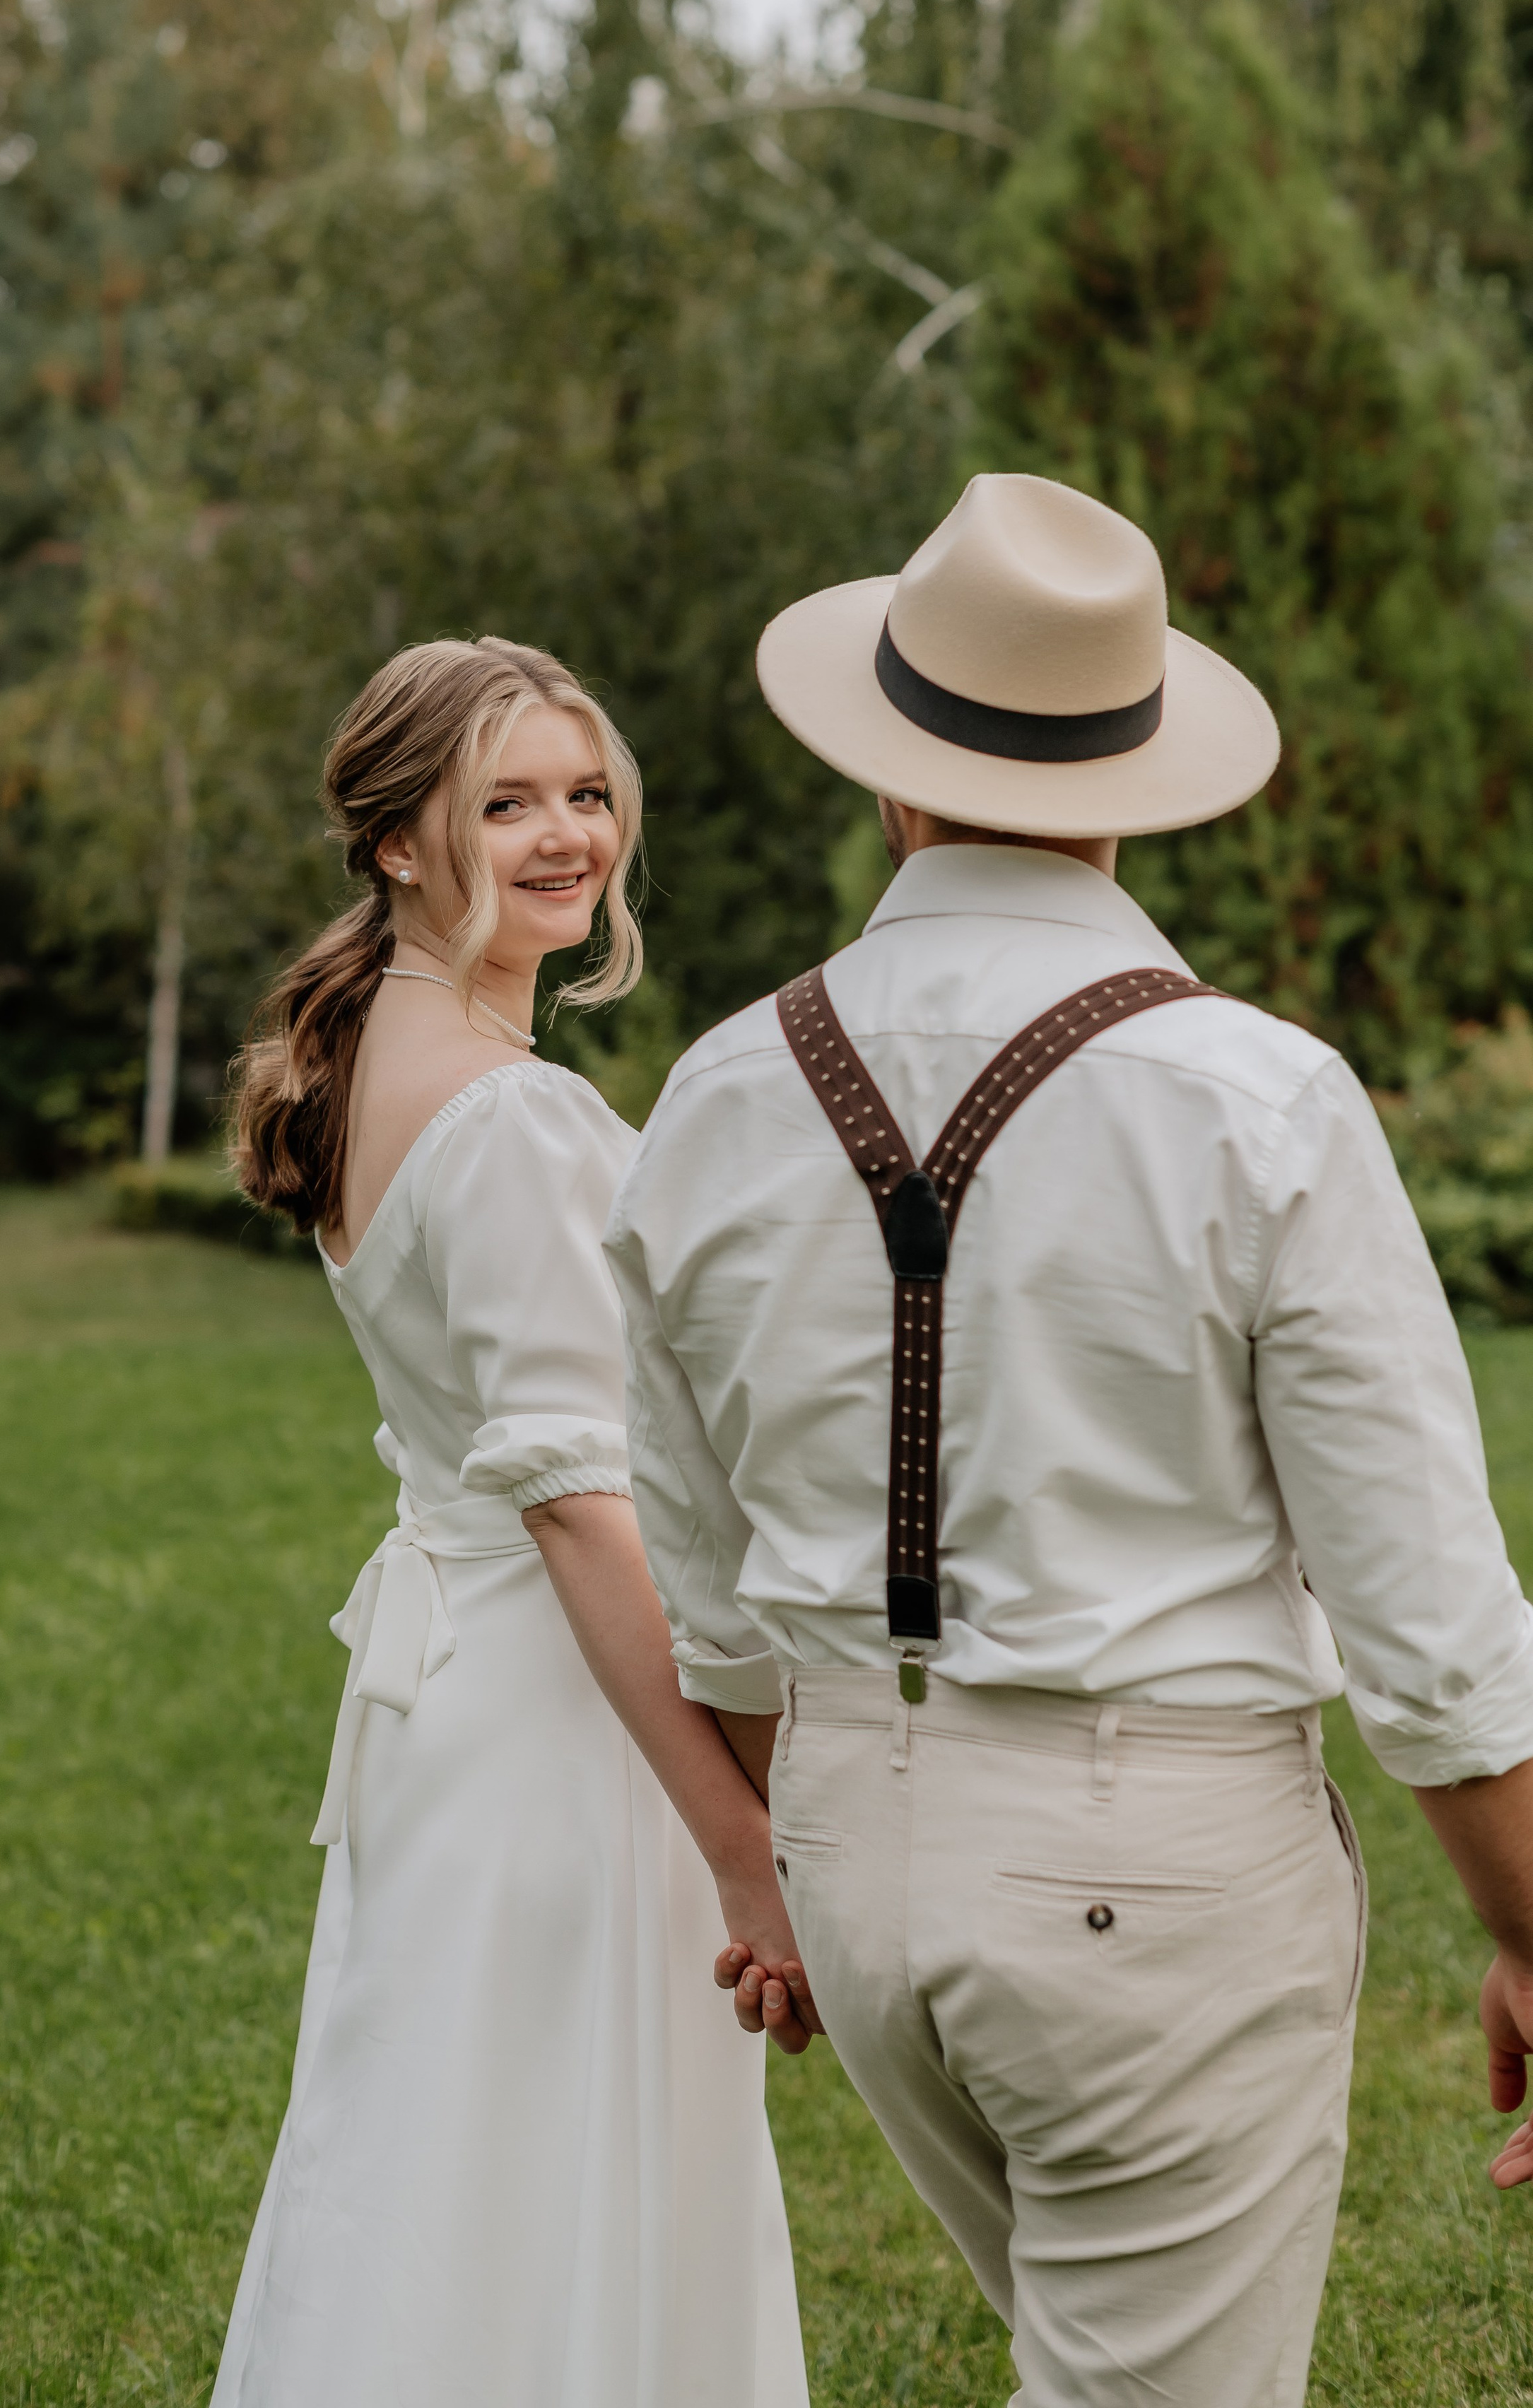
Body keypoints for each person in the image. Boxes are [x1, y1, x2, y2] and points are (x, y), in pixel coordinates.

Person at [605, 472, 1533, 2408]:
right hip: (1158, 1878)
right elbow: (1428, 1616)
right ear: (1133, 781)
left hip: (854, 1857)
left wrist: (793, 1841)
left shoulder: (705, 1100)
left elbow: (707, 1588)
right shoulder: (1256, 1100)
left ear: (889, 778)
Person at [210, 636, 809, 2408]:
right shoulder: (512, 1117)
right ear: (400, 840)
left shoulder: (378, 1054)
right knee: (564, 2184)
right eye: (505, 803)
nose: (567, 837)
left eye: (585, 791)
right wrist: (736, 1835)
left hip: (453, 1712)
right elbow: (574, 1506)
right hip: (568, 1723)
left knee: (442, 2170)